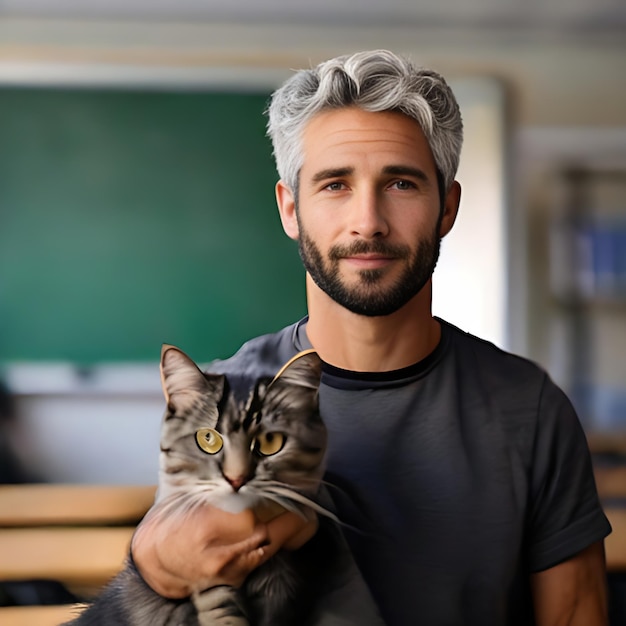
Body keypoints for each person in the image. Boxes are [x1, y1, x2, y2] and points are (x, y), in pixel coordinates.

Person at [131, 50, 611, 625]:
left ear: (447, 207)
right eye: (335, 184)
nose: (369, 221)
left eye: (402, 183)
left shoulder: (528, 408)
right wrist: (150, 561)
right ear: (291, 209)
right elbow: (172, 562)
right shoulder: (223, 398)